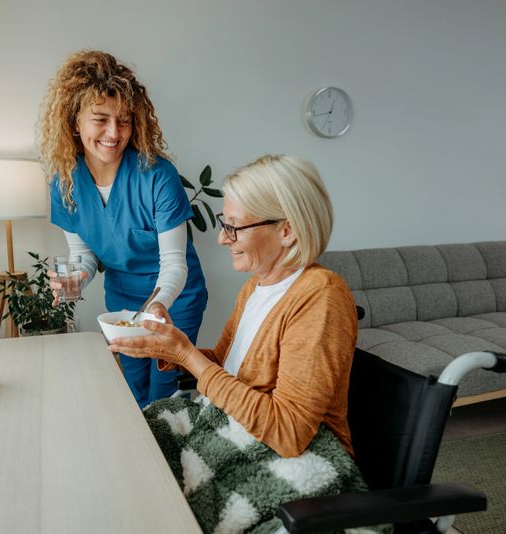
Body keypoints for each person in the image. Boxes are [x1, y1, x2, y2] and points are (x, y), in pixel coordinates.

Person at [108, 154, 358, 458]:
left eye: (234, 226)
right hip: (236, 433)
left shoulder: (321, 296)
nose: (222, 239)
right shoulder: (256, 285)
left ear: (287, 231)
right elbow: (225, 363)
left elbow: (290, 433)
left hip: (302, 461)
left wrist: (186, 354)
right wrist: (167, 350)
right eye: (223, 224)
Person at [38, 50, 208, 407]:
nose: (114, 133)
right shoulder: (64, 183)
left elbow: (175, 265)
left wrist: (158, 306)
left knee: (163, 395)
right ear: (74, 122)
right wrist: (76, 279)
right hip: (121, 304)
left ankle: (166, 461)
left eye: (125, 120)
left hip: (174, 300)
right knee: (132, 391)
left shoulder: (157, 176)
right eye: (100, 119)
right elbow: (83, 257)